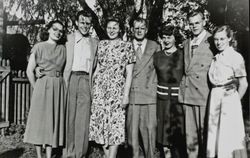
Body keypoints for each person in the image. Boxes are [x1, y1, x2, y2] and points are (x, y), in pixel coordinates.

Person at [89, 17, 135, 158]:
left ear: (120, 29)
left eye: (115, 27)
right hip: (100, 90)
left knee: (115, 126)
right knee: (100, 124)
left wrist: (126, 95)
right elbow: (97, 69)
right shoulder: (101, 44)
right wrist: (93, 89)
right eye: (109, 27)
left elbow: (129, 73)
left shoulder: (127, 46)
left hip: (117, 91)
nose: (112, 30)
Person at [24, 20, 66, 158]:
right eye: (55, 29)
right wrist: (36, 87)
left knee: (51, 121)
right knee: (39, 121)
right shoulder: (39, 47)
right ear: (48, 29)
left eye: (60, 30)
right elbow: (29, 70)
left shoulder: (63, 48)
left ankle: (49, 155)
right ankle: (39, 156)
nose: (57, 32)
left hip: (58, 87)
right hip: (42, 86)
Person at [206, 25, 248, 158]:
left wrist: (233, 102)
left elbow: (244, 84)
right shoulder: (216, 57)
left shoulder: (235, 56)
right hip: (215, 99)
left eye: (222, 39)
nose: (218, 42)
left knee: (228, 137)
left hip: (229, 102)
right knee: (215, 134)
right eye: (216, 39)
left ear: (229, 38)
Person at [178, 11, 214, 158]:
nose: (194, 26)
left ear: (204, 22)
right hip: (187, 94)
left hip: (204, 95)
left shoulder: (213, 40)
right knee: (190, 138)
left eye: (197, 23)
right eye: (191, 23)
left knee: (206, 136)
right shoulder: (186, 43)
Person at [63, 10, 99, 158]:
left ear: (91, 25)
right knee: (69, 116)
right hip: (71, 78)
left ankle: (80, 153)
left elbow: (97, 65)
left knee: (83, 118)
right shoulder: (67, 39)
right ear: (76, 23)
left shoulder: (95, 42)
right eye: (82, 22)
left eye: (88, 23)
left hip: (85, 80)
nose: (85, 25)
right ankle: (68, 152)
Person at [127, 18, 161, 158]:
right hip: (133, 95)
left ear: (146, 30)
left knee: (149, 134)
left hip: (149, 95)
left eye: (142, 28)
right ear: (132, 30)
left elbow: (161, 70)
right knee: (132, 137)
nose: (139, 31)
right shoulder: (126, 46)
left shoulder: (155, 46)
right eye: (136, 28)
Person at [154, 25, 187, 158]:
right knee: (164, 137)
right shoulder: (157, 56)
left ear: (175, 38)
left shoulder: (183, 54)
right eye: (164, 37)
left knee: (178, 137)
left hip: (178, 101)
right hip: (161, 101)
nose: (166, 40)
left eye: (169, 37)